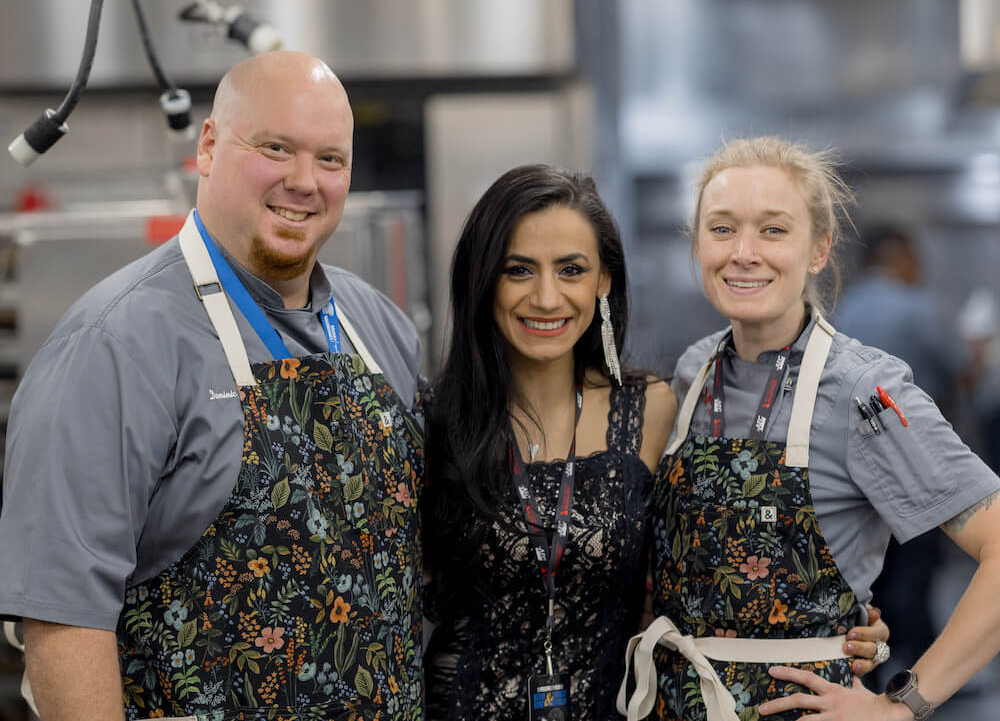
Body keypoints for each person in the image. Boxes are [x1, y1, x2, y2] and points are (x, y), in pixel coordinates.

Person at [0, 51, 425, 721]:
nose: (304, 181)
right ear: (208, 145)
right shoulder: (114, 344)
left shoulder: (381, 328)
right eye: (276, 147)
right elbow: (62, 620)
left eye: (331, 160)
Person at [422, 163, 886, 721]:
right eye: (518, 269)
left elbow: (707, 562)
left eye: (571, 269)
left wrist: (848, 625)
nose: (546, 297)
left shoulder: (656, 409)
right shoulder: (431, 420)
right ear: (483, 279)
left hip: (619, 706)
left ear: (604, 281)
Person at [621, 136, 1000, 721]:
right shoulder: (694, 372)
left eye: (773, 230)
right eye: (722, 229)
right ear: (698, 246)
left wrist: (900, 705)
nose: (744, 252)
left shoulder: (862, 389)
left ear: (819, 250)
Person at [836, 224, 974, 679]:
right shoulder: (919, 308)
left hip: (849, 473)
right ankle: (919, 676)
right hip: (914, 466)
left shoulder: (839, 312)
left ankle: (870, 672)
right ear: (901, 257)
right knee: (916, 571)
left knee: (871, 578)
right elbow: (962, 370)